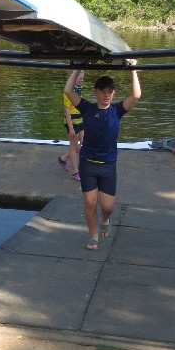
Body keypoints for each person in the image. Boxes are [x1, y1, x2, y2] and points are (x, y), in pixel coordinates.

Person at [64, 65, 141, 250]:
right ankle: (93, 237)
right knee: (90, 202)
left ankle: (105, 219)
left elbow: (136, 95)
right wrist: (77, 68)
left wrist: (133, 69)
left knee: (107, 207)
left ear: (113, 93)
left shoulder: (117, 110)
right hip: (88, 164)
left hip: (107, 166)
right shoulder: (87, 108)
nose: (107, 95)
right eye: (103, 91)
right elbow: (68, 91)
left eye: (110, 92)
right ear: (96, 93)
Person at [57, 69, 85, 181]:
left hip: (80, 119)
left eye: (83, 78)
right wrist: (70, 127)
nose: (82, 80)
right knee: (73, 146)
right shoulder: (68, 91)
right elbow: (67, 110)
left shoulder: (78, 88)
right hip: (72, 121)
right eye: (80, 78)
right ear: (73, 77)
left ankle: (63, 158)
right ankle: (75, 172)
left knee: (84, 144)